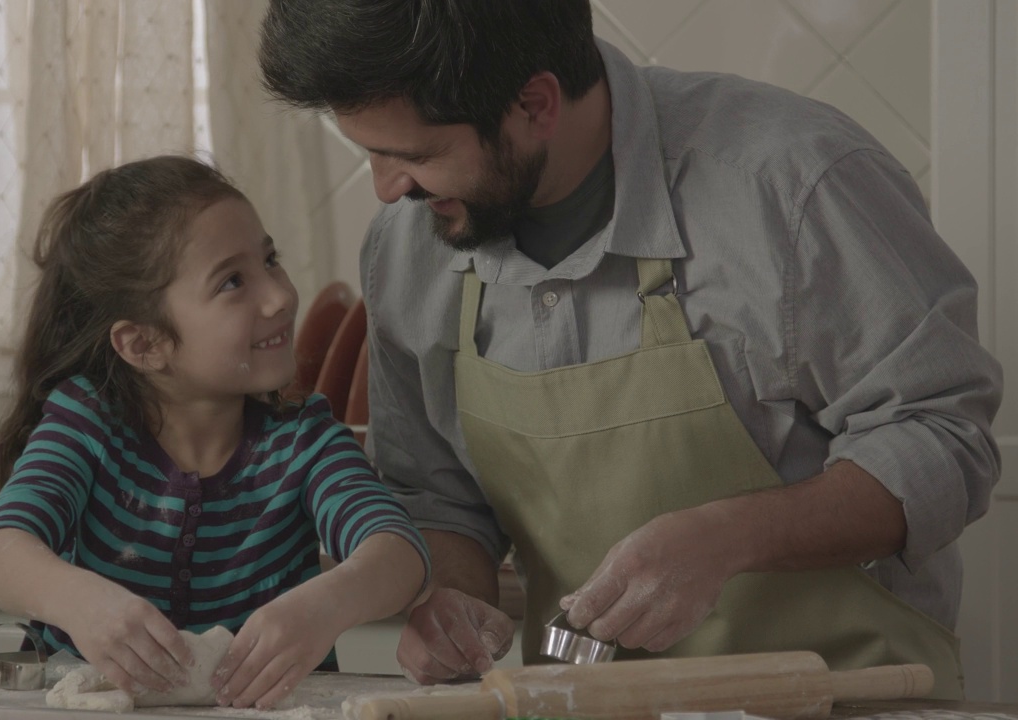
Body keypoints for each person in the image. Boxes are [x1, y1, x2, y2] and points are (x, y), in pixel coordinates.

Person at [257, 0, 1003, 700]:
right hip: (589, 707)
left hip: (847, 699)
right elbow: (437, 492)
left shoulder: (793, 184)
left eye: (412, 154)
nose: (388, 190)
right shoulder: (407, 247)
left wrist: (726, 537)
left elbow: (944, 440)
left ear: (536, 105)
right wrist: (457, 602)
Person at [0, 155, 430, 710]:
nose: (280, 296)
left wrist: (327, 606)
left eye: (270, 260)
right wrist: (79, 603)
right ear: (145, 344)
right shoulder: (87, 425)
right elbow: (0, 552)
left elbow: (398, 552)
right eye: (233, 281)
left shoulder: (301, 442)